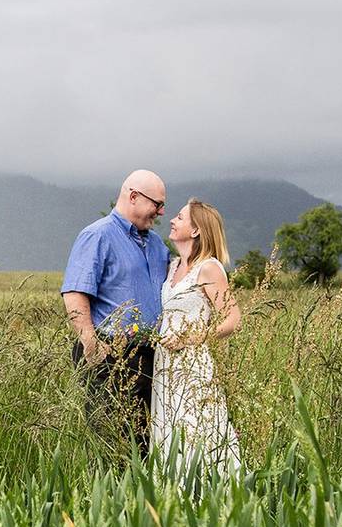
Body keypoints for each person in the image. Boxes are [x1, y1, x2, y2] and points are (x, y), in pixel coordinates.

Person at [61, 169, 172, 458]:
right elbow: (75, 293)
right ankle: (110, 502)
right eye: (156, 204)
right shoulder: (97, 235)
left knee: (146, 441)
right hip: (108, 351)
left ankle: (144, 501)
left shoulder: (158, 246)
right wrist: (90, 342)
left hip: (150, 357)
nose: (160, 212)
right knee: (112, 441)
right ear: (133, 196)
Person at [151, 199, 241, 475]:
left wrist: (192, 338)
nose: (172, 220)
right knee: (167, 433)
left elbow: (233, 318)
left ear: (196, 230)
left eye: (179, 217)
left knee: (195, 431)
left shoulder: (209, 268)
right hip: (164, 365)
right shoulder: (173, 266)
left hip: (192, 365)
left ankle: (207, 498)